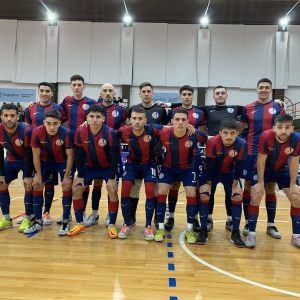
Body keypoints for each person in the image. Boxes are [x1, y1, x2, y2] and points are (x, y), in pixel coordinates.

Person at [245, 114, 300, 248]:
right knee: (257, 194)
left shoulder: (296, 139)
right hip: (264, 168)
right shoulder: (266, 136)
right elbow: (261, 160)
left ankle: (296, 236)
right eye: (280, 127)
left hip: (282, 169)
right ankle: (251, 233)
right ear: (274, 128)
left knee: (297, 197)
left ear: (292, 129)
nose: (283, 131)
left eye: (287, 128)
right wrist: (260, 183)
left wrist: (293, 185)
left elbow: (294, 162)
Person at [154, 108, 207, 244]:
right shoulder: (164, 132)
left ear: (188, 122)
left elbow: (205, 137)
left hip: (187, 169)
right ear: (172, 121)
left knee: (191, 193)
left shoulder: (193, 134)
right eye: (177, 119)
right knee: (161, 192)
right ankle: (160, 227)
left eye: (183, 120)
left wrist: (195, 130)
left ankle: (189, 229)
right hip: (168, 168)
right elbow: (148, 127)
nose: (180, 122)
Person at [240, 78, 285, 238]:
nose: (264, 90)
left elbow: (283, 129)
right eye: (261, 87)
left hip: (273, 153)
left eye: (267, 87)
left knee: (270, 188)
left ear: (271, 90)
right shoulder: (248, 108)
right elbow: (240, 129)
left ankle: (270, 225)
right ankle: (247, 222)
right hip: (252, 153)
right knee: (248, 187)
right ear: (257, 89)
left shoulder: (277, 107)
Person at [69, 105, 119, 238]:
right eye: (91, 116)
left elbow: (115, 157)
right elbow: (78, 155)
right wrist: (79, 175)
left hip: (107, 166)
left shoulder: (110, 133)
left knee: (112, 190)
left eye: (98, 117)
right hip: (89, 166)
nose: (94, 119)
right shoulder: (80, 132)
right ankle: (80, 223)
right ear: (87, 118)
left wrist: (112, 177)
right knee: (76, 189)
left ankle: (112, 224)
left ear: (103, 118)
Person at [198, 118, 247, 247]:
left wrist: (235, 184)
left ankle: (235, 232)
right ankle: (203, 230)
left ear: (237, 133)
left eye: (232, 133)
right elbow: (210, 165)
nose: (229, 136)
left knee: (237, 196)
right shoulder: (212, 142)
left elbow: (240, 166)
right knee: (204, 194)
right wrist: (208, 184)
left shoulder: (242, 144)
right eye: (225, 132)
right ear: (220, 132)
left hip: (229, 173)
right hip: (211, 172)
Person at [85, 83, 127, 227]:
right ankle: (95, 213)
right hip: (94, 151)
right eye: (105, 91)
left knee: (112, 186)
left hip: (113, 153)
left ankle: (111, 213)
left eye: (110, 91)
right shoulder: (94, 107)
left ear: (114, 93)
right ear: (100, 93)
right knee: (96, 183)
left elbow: (128, 124)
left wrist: (117, 134)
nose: (108, 93)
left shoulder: (121, 109)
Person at [164, 85, 206, 232]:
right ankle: (171, 217)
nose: (187, 96)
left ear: (192, 96)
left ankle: (194, 219)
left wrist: (195, 132)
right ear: (180, 96)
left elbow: (203, 134)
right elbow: (168, 128)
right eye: (184, 94)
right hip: (175, 156)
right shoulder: (174, 112)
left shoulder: (199, 112)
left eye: (189, 94)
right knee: (174, 186)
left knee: (193, 189)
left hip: (193, 157)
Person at [128, 82, 169, 226]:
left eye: (148, 91)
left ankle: (157, 219)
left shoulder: (160, 110)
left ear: (153, 93)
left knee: (155, 189)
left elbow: (166, 130)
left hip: (155, 157)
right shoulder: (133, 109)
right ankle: (131, 217)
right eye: (143, 91)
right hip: (137, 157)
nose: (146, 94)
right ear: (139, 94)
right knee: (135, 187)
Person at [28, 109, 74, 235]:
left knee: (66, 185)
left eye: (55, 123)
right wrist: (38, 174)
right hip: (44, 161)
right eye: (48, 123)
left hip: (62, 161)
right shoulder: (36, 132)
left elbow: (70, 156)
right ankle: (38, 222)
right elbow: (35, 156)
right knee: (37, 185)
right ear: (44, 122)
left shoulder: (66, 133)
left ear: (60, 123)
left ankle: (65, 222)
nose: (52, 127)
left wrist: (66, 176)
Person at [117, 106, 160, 240]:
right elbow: (107, 133)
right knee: (124, 191)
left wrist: (187, 126)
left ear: (145, 120)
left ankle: (148, 226)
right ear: (130, 120)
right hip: (132, 165)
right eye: (134, 118)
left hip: (149, 165)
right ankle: (126, 223)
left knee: (150, 191)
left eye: (140, 118)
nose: (137, 121)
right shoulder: (123, 131)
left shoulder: (153, 129)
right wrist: (86, 125)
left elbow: (172, 129)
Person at [23, 82, 62, 226]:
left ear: (52, 93)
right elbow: (27, 127)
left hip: (52, 152)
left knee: (49, 184)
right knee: (33, 183)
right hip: (34, 150)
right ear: (38, 92)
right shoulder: (30, 108)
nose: (44, 93)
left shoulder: (58, 108)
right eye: (42, 91)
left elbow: (61, 126)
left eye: (47, 91)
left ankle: (46, 212)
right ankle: (30, 214)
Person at [0, 103, 34, 232]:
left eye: (12, 116)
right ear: (1, 116)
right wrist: (1, 173)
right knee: (1, 184)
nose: (9, 119)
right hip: (11, 158)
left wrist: (29, 175)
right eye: (6, 115)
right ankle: (6, 218)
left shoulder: (26, 130)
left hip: (27, 160)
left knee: (28, 185)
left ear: (17, 116)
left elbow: (30, 155)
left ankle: (28, 217)